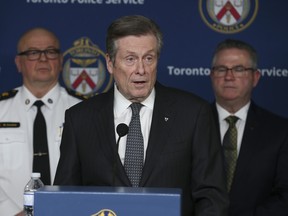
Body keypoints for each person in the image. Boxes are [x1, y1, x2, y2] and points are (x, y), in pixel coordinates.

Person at [54, 15, 229, 216]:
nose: (141, 70)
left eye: (148, 58)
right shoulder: (80, 119)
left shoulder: (193, 113)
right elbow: (65, 197)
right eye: (130, 59)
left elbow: (212, 197)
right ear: (110, 63)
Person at [0, 27, 82, 215]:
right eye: (33, 53)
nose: (43, 59)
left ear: (61, 61)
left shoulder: (84, 111)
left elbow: (94, 175)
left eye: (51, 52)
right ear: (18, 62)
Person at [210, 39, 288, 216]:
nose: (229, 76)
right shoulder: (191, 124)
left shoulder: (281, 132)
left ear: (255, 77)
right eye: (222, 69)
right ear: (212, 75)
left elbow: (285, 195)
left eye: (239, 69)